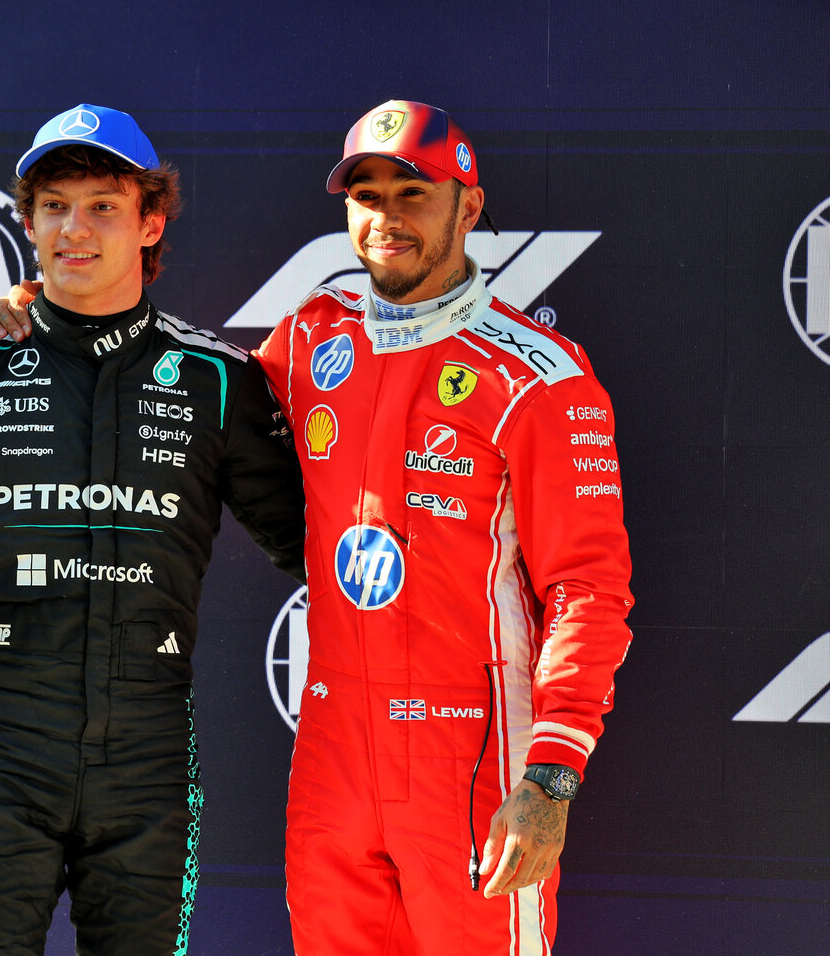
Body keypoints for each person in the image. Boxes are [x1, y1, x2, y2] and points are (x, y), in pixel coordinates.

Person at [0, 104, 305, 955]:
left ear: (150, 223)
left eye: (102, 207)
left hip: (149, 762)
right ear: (27, 222)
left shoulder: (218, 380)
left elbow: (313, 545)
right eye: (54, 207)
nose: (74, 229)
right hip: (3, 752)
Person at [252, 100, 635, 954]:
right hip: (333, 754)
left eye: (412, 194)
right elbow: (196, 401)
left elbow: (589, 590)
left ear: (468, 207)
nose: (386, 218)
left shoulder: (538, 377)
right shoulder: (313, 336)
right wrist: (52, 315)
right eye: (367, 196)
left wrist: (550, 779)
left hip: (472, 752)